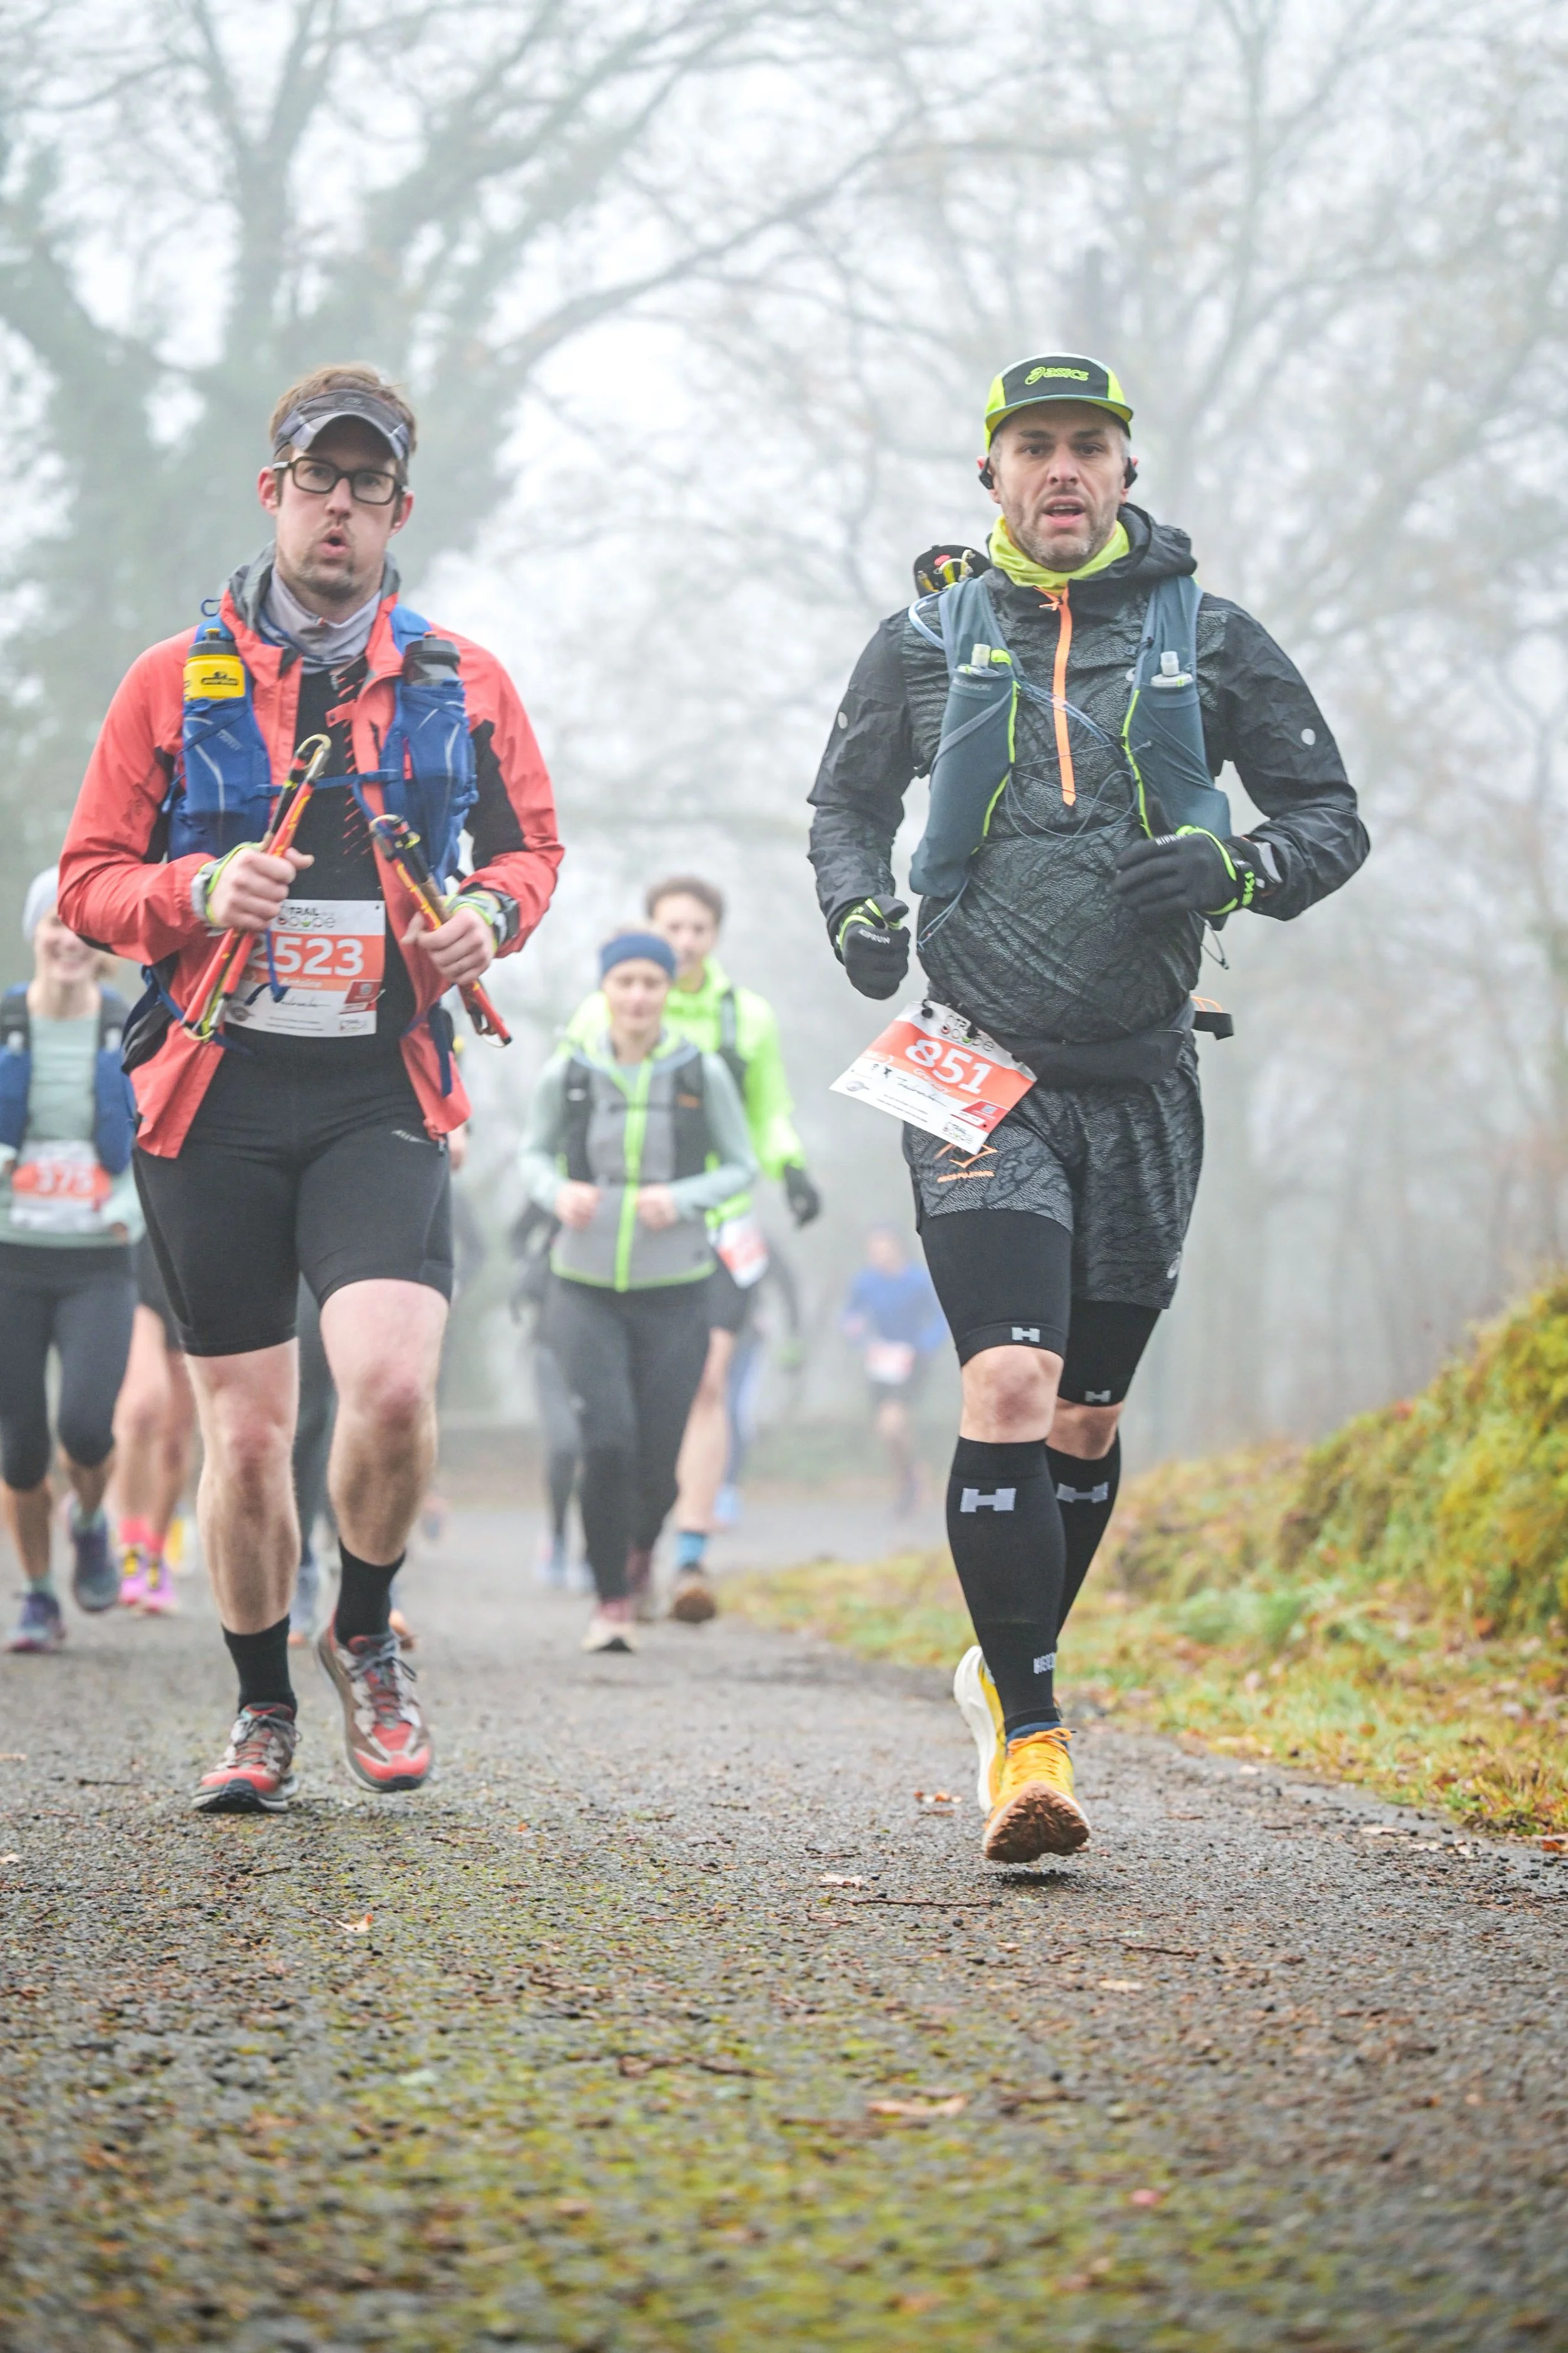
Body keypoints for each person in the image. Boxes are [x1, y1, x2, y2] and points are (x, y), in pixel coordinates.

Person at [809, 351, 1368, 1863]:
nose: (1062, 468)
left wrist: (1237, 866)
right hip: (973, 1066)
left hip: (1143, 1077)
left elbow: (1329, 818)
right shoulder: (920, 642)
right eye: (1034, 445)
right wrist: (855, 910)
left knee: (1084, 1414)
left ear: (1125, 470)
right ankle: (1033, 1739)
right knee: (1007, 1380)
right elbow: (846, 806)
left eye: (1089, 445)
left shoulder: (1214, 636)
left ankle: (1001, 1665)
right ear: (989, 473)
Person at [58, 363, 561, 1810]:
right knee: (250, 1432)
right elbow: (89, 883)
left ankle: (365, 1631)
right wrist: (197, 888)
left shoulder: (463, 680)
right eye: (318, 480)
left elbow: (531, 850)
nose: (341, 506)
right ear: (272, 494)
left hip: (377, 1087)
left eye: (368, 485)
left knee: (391, 1389)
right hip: (210, 1095)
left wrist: (492, 916)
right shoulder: (171, 679)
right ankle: (261, 1705)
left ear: (399, 509)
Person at [565, 876, 820, 1621]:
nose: (683, 942)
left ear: (715, 936)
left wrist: (792, 1166)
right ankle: (631, 1535)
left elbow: (768, 1111)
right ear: (646, 929)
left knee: (708, 1383)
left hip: (718, 1223)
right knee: (634, 1399)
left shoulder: (747, 1018)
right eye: (670, 927)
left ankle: (690, 1554)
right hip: (625, 1227)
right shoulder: (601, 1009)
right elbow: (567, 1109)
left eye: (697, 929)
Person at [519, 932, 756, 1652]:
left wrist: (680, 1198)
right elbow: (532, 1155)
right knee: (606, 1440)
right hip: (582, 1285)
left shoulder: (700, 1070)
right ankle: (610, 1600)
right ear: (604, 989)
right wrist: (557, 1192)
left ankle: (642, 1550)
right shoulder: (569, 1073)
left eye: (651, 982)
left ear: (667, 990)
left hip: (676, 1286)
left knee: (658, 1459)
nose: (637, 995)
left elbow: (740, 1166)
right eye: (624, 981)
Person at [0, 870, 139, 1651]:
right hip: (10, 1257)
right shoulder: (5, 1022)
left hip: (97, 1260)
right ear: (35, 932)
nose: (68, 941)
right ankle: (39, 1596)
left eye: (83, 927)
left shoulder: (129, 1028)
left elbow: (158, 1139)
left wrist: (125, 1211)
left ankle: (89, 1519)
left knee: (85, 1428)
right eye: (55, 923)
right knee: (20, 1447)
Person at [112, 1234, 197, 1615]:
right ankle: (130, 1547)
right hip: (139, 1252)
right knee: (141, 1409)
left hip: (196, 1263)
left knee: (176, 1437)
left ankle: (155, 1553)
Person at [841, 1226, 948, 1514]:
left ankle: (910, 1484)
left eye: (883, 1250)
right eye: (873, 1251)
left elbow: (940, 1317)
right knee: (889, 1430)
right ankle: (913, 1477)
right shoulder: (865, 1282)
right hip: (881, 1362)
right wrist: (858, 1336)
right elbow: (851, 1315)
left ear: (897, 1248)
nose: (879, 1256)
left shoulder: (917, 1280)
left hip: (912, 1361)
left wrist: (922, 1347)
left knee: (893, 1423)